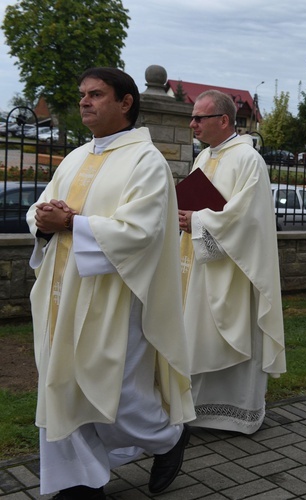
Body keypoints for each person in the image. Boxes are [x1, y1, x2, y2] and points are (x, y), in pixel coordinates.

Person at [27, 67, 194, 499]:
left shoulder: (146, 161)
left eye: (96, 94)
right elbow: (42, 207)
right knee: (60, 384)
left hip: (115, 296)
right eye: (82, 93)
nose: (84, 101)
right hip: (61, 295)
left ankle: (169, 438)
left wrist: (72, 222)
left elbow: (141, 231)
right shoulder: (76, 157)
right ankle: (78, 483)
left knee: (116, 393)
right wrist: (44, 221)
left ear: (125, 103)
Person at [179, 89, 285, 434]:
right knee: (196, 334)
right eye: (192, 117)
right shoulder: (203, 158)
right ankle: (194, 409)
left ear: (223, 120)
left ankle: (237, 413)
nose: (192, 124)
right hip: (200, 267)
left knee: (231, 335)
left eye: (199, 117)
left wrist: (197, 219)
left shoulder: (247, 159)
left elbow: (247, 219)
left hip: (235, 272)